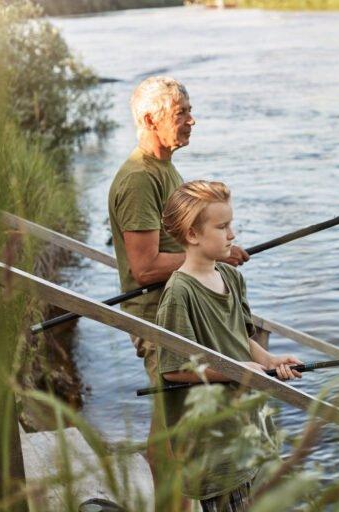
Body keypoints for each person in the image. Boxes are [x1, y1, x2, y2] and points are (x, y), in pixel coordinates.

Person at [107, 76, 249, 486]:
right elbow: (145, 268)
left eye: (189, 111)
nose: (191, 120)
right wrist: (211, 255)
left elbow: (181, 245)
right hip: (160, 319)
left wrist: (217, 256)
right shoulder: (138, 179)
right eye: (181, 113)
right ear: (151, 119)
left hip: (182, 309)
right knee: (174, 437)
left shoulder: (164, 168)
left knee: (168, 432)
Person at [156, 180, 302, 511]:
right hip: (214, 442)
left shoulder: (232, 277)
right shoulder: (179, 294)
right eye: (222, 227)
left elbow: (242, 339)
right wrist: (233, 372)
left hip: (249, 424)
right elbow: (175, 371)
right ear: (193, 235)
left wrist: (270, 360)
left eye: (231, 225)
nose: (232, 235)